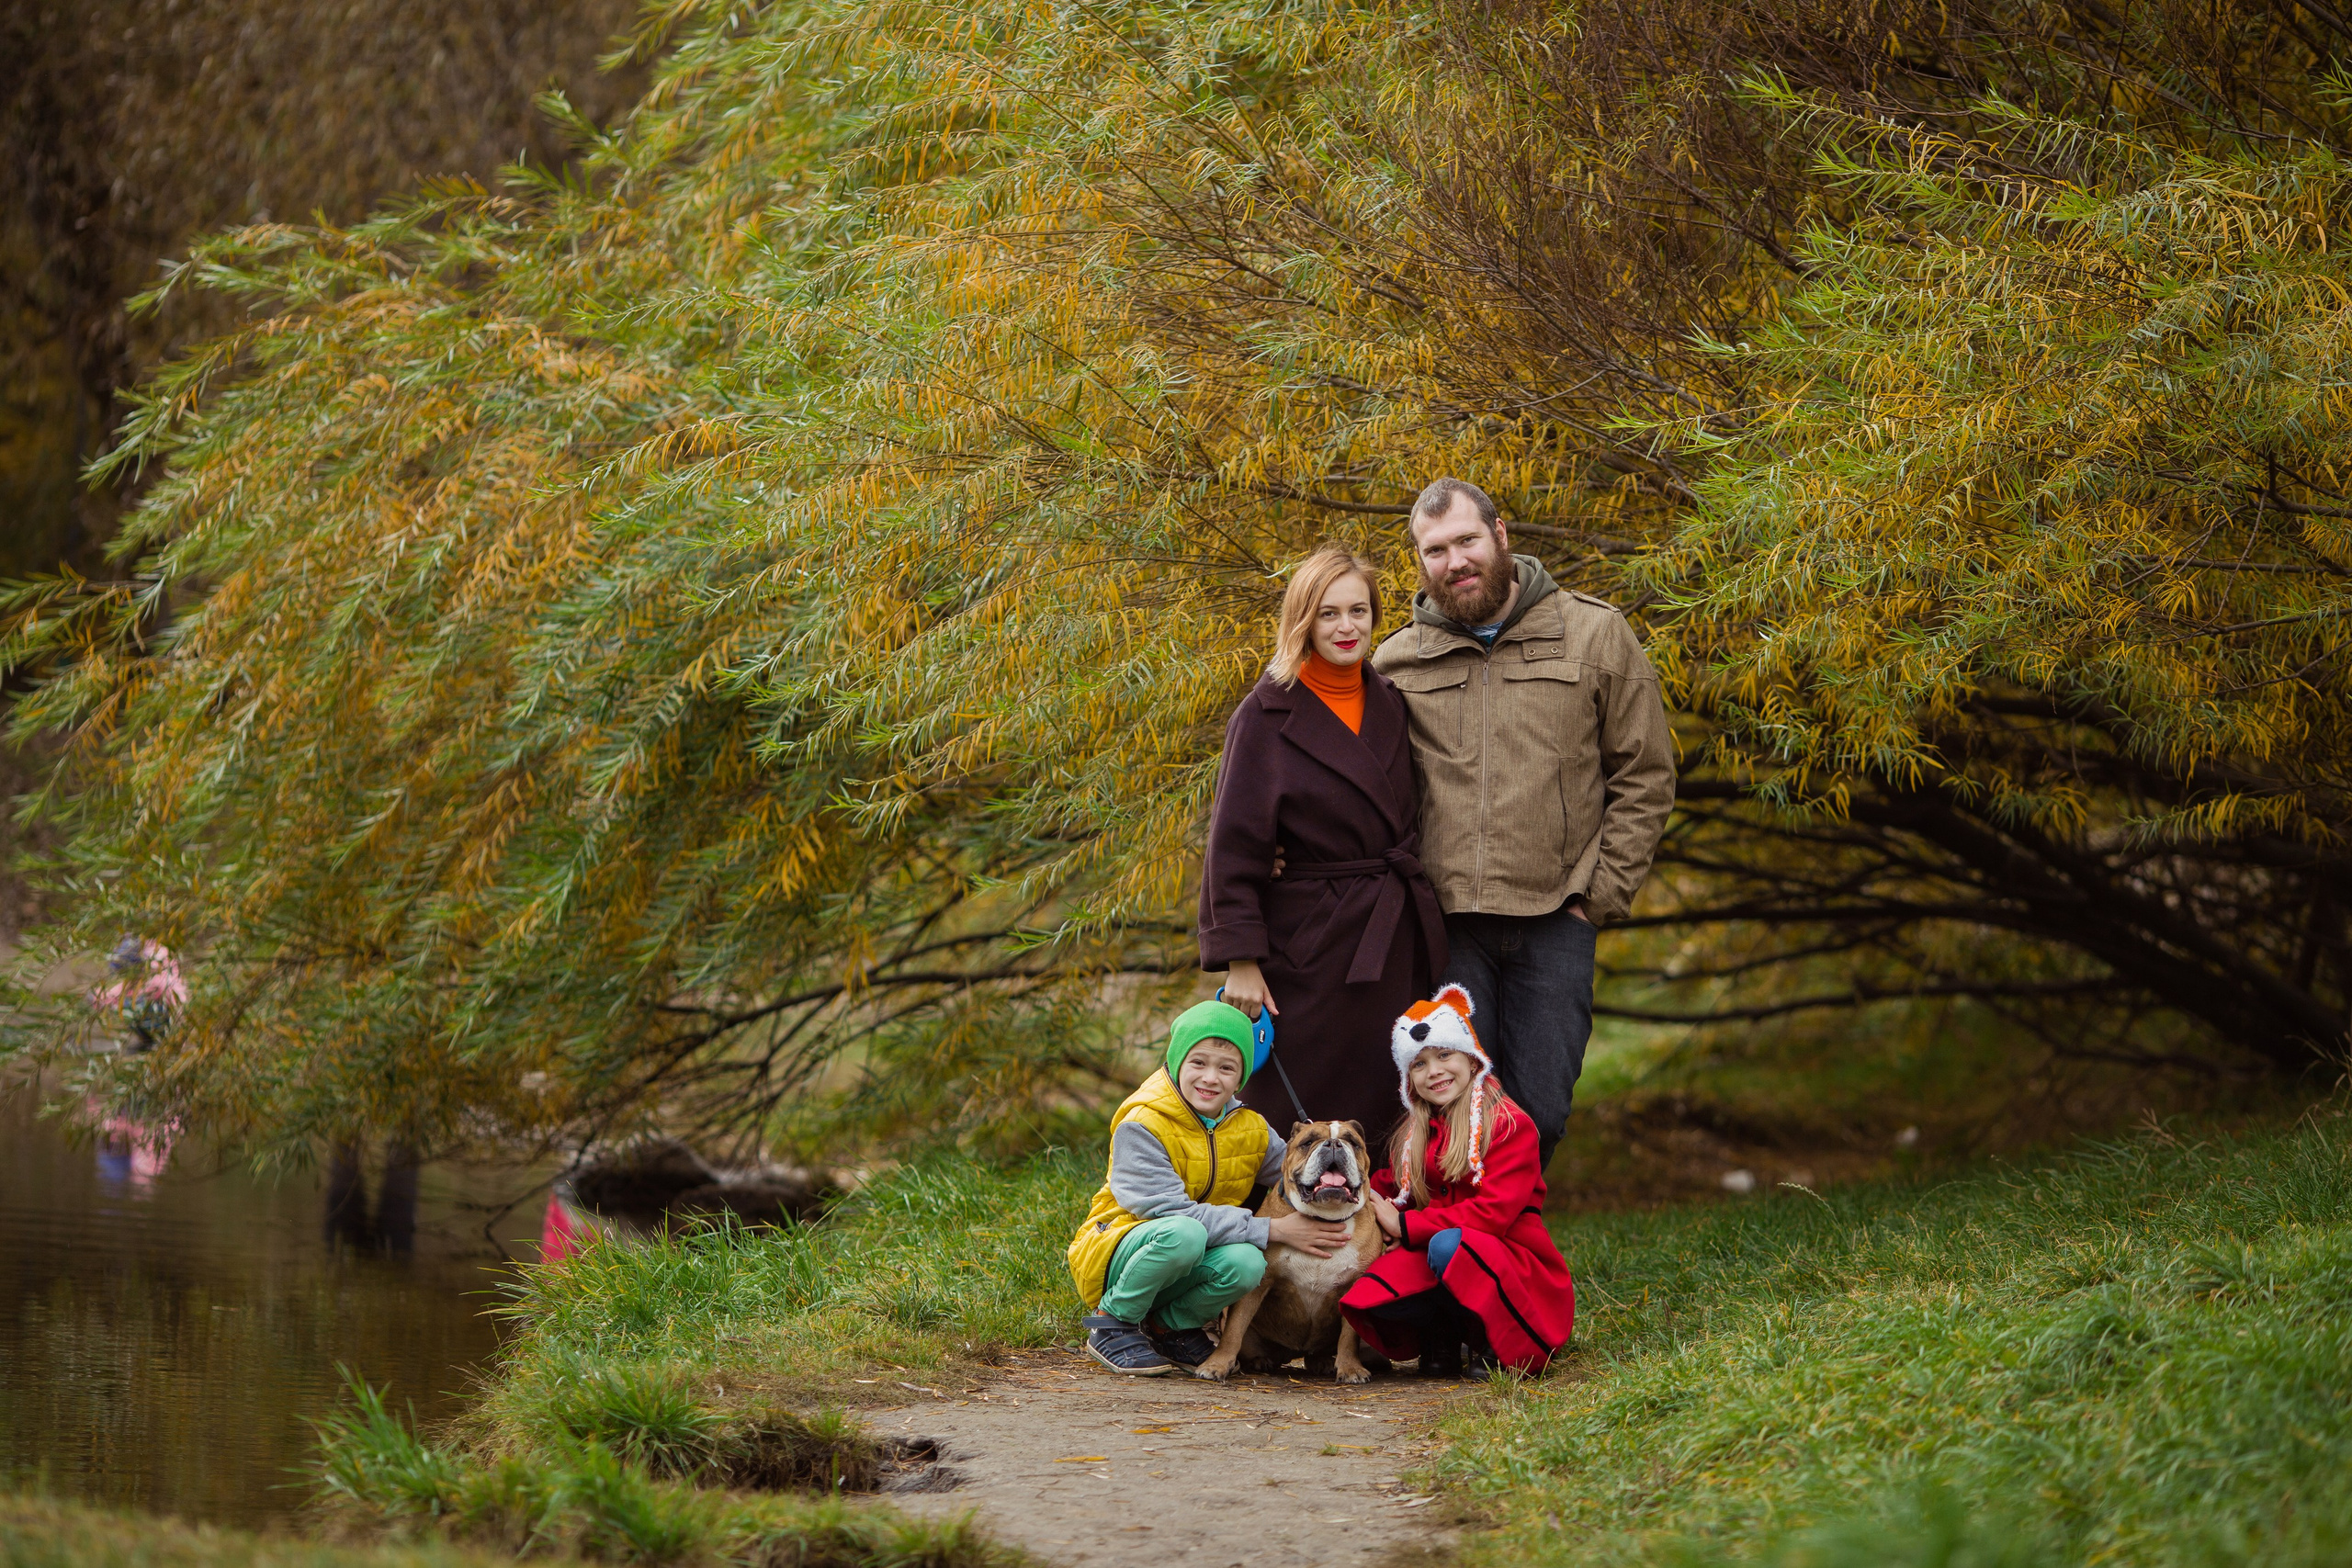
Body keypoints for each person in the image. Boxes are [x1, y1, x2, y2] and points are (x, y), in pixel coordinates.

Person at [1371, 479, 1676, 1169]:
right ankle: (1466, 1239)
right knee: (1459, 1110)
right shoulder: (1395, 662)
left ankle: (1504, 1233)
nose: (1455, 561)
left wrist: (1597, 898)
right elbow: (1357, 787)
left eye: (1467, 541)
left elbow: (1646, 774)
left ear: (1500, 534)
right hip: (1448, 926)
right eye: (1435, 550)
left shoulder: (1595, 633)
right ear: (1419, 560)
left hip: (1556, 916)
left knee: (1541, 1112)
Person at [1198, 546, 1449, 1136]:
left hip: (1394, 935)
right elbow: (1234, 845)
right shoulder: (1264, 715)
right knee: (1297, 1100)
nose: (1346, 627)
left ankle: (1385, 1195)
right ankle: (1281, 1194)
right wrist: (1241, 961)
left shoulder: (1392, 701)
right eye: (1328, 614)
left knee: (1389, 1097)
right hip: (1306, 944)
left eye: (1358, 611)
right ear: (1302, 621)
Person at [1068, 999, 1351, 1376]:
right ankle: (1112, 1322)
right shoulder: (1142, 1123)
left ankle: (1169, 1328)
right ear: (1176, 1062)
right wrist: (1273, 1229)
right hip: (1119, 1252)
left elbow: (1297, 1172)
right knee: (1185, 1233)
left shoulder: (1249, 1127)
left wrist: (1370, 1203)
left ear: (1241, 1077)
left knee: (1248, 1263)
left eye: (1227, 1068)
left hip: (1188, 1253)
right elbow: (1171, 1213)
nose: (1211, 1078)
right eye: (1198, 1063)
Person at [1340, 985, 1575, 1375]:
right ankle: (1442, 1334)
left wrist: (1405, 1226)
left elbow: (1492, 1214)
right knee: (1372, 1294)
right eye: (1419, 1063)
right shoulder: (1415, 1134)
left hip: (1510, 1264)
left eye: (1444, 1054)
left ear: (1470, 1058)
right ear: (1408, 1078)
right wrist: (1352, 1191)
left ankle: (1497, 1342)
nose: (1434, 1071)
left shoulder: (1509, 1125)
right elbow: (1388, 1185)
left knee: (1449, 1247)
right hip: (1446, 1251)